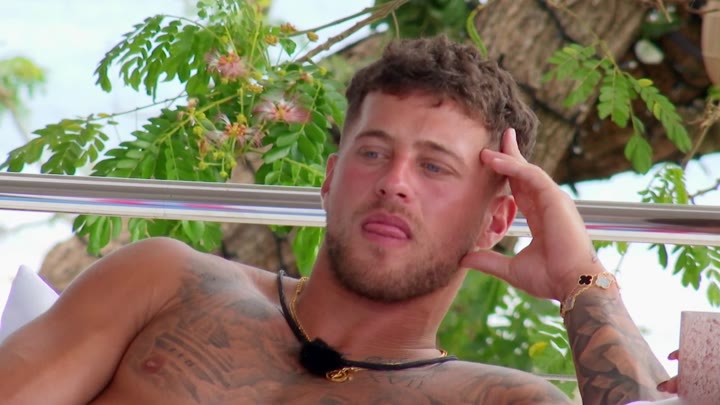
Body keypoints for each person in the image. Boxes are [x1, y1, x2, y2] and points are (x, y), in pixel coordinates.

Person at [0, 35, 675, 404]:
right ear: (329, 178)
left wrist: (581, 278)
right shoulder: (163, 281)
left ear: (496, 219)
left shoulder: (500, 401)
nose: (394, 183)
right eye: (373, 152)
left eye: (434, 167)